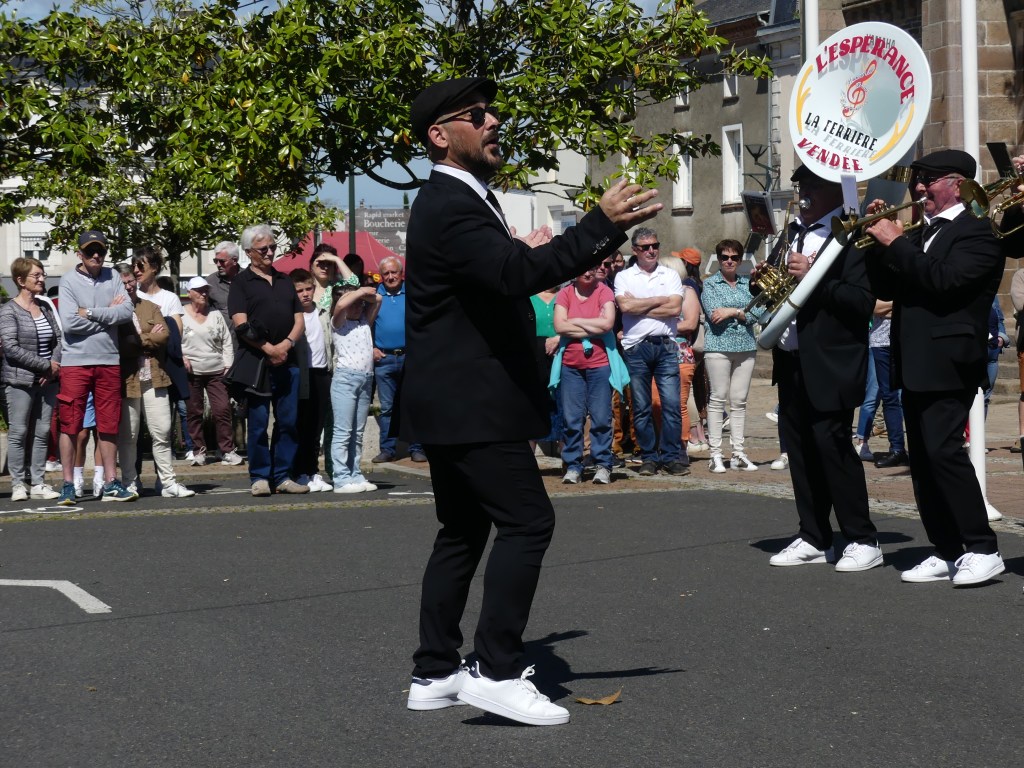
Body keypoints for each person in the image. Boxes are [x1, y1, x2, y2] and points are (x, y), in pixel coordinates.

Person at [400, 76, 661, 725]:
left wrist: (524, 253)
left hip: (454, 399)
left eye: (491, 112)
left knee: (463, 530)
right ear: (440, 135)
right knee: (527, 522)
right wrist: (599, 224)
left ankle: (434, 671)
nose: (493, 121)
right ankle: (495, 670)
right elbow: (513, 276)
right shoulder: (452, 203)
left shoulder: (457, 201)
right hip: (473, 401)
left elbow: (495, 274)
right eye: (477, 114)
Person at [864, 149, 1006, 586]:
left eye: (929, 180)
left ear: (958, 184)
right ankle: (948, 549)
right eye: (917, 179)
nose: (919, 187)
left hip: (950, 360)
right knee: (923, 461)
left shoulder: (979, 232)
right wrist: (876, 242)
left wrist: (897, 242)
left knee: (944, 452)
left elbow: (945, 282)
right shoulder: (921, 233)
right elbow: (886, 285)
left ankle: (982, 547)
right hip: (915, 359)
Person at [761, 166, 881, 572]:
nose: (804, 193)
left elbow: (862, 302)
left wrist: (813, 276)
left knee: (833, 449)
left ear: (834, 189)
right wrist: (765, 280)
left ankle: (862, 538)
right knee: (800, 451)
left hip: (832, 362)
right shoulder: (792, 232)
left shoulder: (852, 235)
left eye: (812, 185)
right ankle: (814, 536)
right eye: (801, 186)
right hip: (791, 360)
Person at [55, 230, 137, 505]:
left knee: (109, 423)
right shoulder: (68, 280)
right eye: (90, 251)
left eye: (100, 250)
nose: (96, 255)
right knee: (71, 425)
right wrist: (108, 316)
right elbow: (69, 323)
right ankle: (68, 484)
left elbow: (126, 312)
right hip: (75, 362)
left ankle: (111, 482)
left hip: (108, 360)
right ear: (79, 253)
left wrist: (89, 312)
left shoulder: (113, 276)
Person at [228, 224, 308, 496]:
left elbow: (299, 320)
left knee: (288, 422)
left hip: (289, 361)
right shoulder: (241, 283)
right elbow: (240, 323)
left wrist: (286, 345)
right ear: (249, 252)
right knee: (258, 423)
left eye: (273, 247)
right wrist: (269, 349)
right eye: (263, 249)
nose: (270, 252)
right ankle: (260, 477)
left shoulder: (285, 280)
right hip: (257, 363)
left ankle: (282, 475)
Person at [115, 263, 195, 498]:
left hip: (155, 376)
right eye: (123, 282)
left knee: (162, 431)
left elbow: (165, 336)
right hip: (128, 379)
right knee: (129, 436)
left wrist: (137, 340)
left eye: (131, 281)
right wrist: (148, 338)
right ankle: (130, 482)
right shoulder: (114, 311)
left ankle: (167, 482)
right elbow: (121, 345)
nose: (128, 286)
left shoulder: (150, 306)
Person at [614, 228, 689, 477]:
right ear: (635, 250)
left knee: (671, 405)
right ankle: (648, 456)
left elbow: (674, 308)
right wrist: (659, 300)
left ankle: (671, 456)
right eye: (645, 247)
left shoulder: (670, 274)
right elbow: (625, 306)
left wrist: (639, 305)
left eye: (655, 245)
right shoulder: (624, 277)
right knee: (641, 406)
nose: (651, 251)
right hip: (636, 347)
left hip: (665, 345)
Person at [0, 257, 61, 501]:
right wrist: (45, 365)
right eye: (36, 275)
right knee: (19, 432)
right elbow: (11, 348)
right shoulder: (8, 310)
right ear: (20, 280)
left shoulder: (45, 307)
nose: (42, 279)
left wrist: (52, 368)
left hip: (48, 381)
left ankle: (38, 483)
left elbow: (59, 339)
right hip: (19, 381)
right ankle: (18, 484)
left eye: (42, 274)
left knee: (42, 432)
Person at [700, 239, 764, 473]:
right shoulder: (710, 284)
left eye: (734, 257)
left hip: (745, 347)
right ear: (719, 259)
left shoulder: (748, 284)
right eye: (725, 257)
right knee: (717, 399)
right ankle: (715, 454)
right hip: (718, 346)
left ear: (740, 260)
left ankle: (738, 453)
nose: (729, 261)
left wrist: (732, 312)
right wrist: (741, 313)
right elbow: (714, 314)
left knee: (739, 401)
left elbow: (758, 313)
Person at [552, 265, 617, 484]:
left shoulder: (604, 291)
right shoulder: (565, 293)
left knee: (601, 417)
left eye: (592, 269)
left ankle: (603, 464)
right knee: (572, 419)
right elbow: (559, 327)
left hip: (599, 364)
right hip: (571, 366)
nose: (588, 273)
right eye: (583, 269)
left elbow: (607, 324)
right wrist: (593, 326)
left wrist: (575, 321)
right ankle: (573, 465)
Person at [329, 264, 381, 493]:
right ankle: (341, 478)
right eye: (355, 303)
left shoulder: (363, 322)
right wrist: (359, 292)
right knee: (343, 432)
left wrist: (361, 295)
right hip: (346, 379)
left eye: (360, 303)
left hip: (365, 379)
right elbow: (341, 305)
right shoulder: (338, 323)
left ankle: (355, 474)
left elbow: (378, 299)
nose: (359, 306)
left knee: (357, 433)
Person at [181, 276, 242, 466]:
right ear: (189, 293)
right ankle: (198, 451)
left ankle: (227, 450)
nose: (203, 293)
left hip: (216, 371)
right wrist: (182, 357)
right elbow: (174, 341)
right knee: (194, 412)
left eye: (206, 290)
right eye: (199, 290)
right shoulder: (181, 315)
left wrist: (227, 365)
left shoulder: (215, 314)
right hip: (192, 372)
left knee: (222, 410)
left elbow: (226, 341)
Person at [371, 256, 425, 463]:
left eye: (394, 272)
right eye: (386, 273)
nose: (390, 276)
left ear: (402, 274)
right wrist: (372, 348)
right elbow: (365, 324)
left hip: (409, 356)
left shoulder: (413, 294)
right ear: (381, 276)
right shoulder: (374, 296)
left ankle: (417, 448)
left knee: (413, 403)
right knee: (387, 408)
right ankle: (388, 449)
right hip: (384, 359)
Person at [290, 268, 333, 492]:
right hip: (301, 373)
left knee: (316, 427)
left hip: (321, 372)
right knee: (301, 425)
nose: (305, 294)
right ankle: (299, 472)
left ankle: (313, 471)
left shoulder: (323, 312)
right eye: (300, 291)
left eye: (308, 289)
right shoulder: (292, 316)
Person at [206, 241, 241, 331]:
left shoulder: (249, 278)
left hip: (250, 337)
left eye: (222, 261)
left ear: (234, 260)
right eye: (216, 261)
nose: (218, 265)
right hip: (222, 337)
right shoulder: (210, 282)